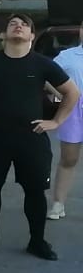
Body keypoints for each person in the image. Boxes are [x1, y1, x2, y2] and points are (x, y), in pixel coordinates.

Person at [0, 14, 80, 261]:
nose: (18, 26)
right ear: (4, 34)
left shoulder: (42, 64)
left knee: (35, 191)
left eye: (25, 25)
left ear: (32, 36)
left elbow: (71, 93)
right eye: (13, 24)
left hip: (32, 138)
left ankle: (37, 241)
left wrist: (56, 121)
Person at [49, 22, 83, 220]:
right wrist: (60, 95)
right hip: (74, 109)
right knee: (69, 158)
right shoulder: (67, 56)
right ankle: (58, 204)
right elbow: (47, 76)